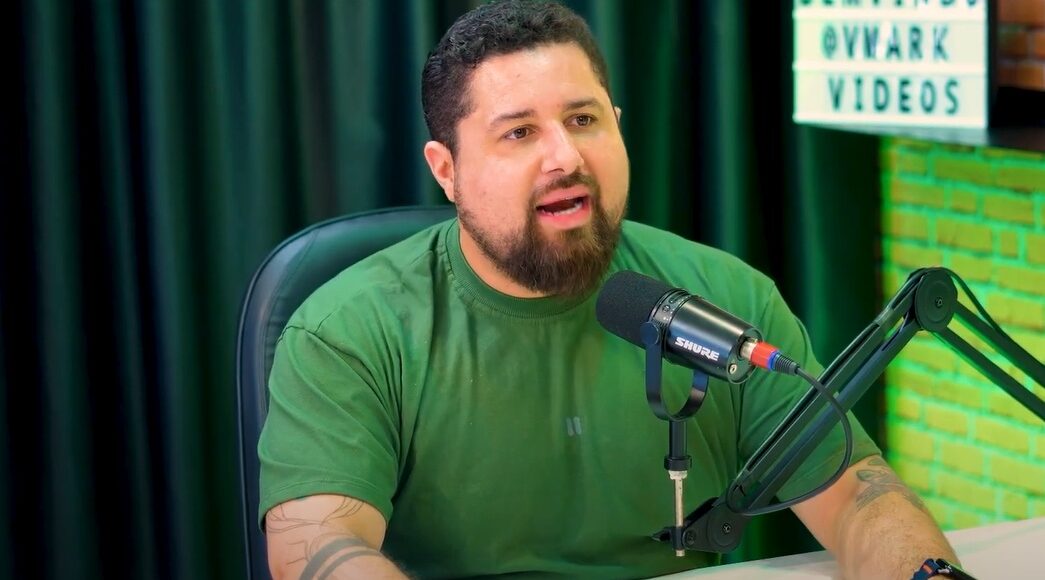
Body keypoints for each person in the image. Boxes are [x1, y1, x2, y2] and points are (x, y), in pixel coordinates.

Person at [258, 1, 960, 578]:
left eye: (583, 120)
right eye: (519, 133)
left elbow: (858, 496)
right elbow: (318, 547)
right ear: (447, 170)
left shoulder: (725, 296)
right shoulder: (348, 329)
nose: (565, 156)